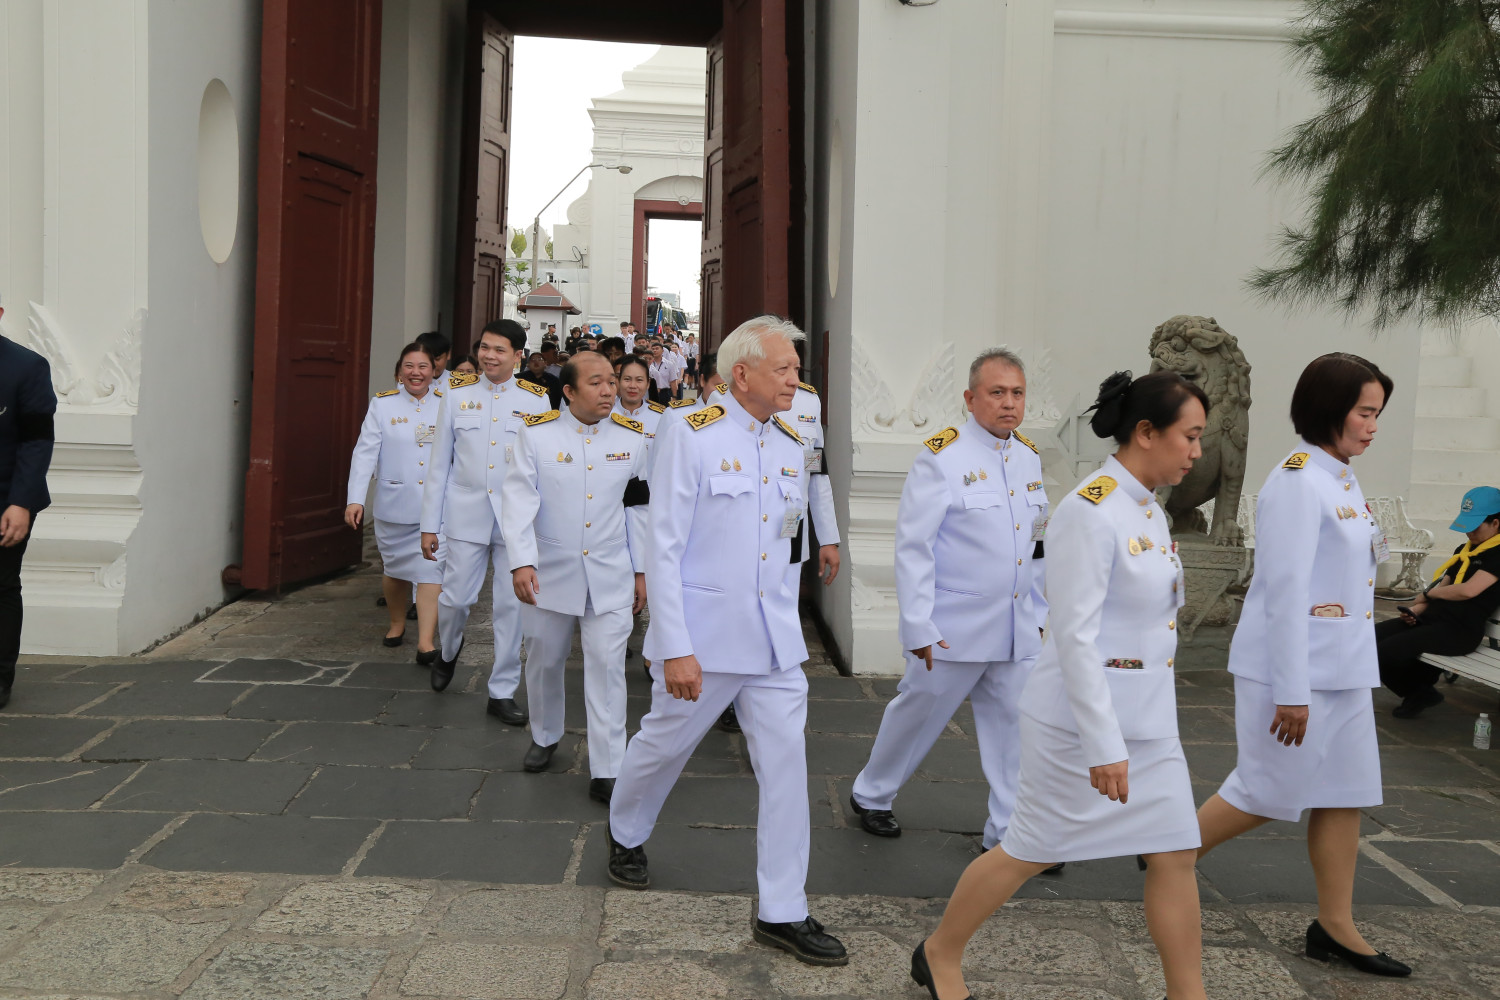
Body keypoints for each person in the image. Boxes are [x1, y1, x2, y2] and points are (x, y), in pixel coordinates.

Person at [914, 370, 1210, 1000]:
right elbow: (1073, 636)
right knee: (1027, 850)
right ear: (1146, 432)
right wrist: (1105, 745)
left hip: (1151, 722)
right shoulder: (1090, 510)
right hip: (1080, 725)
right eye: (1190, 436)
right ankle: (940, 952)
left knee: (1176, 853)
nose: (1197, 452)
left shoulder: (1148, 508)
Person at [607, 315, 848, 969]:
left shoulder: (792, 438)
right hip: (705, 642)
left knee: (786, 770)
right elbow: (666, 541)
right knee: (663, 745)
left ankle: (783, 909)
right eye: (784, 368)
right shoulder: (691, 433)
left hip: (774, 644)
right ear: (741, 374)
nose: (796, 378)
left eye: (796, 368)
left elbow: (784, 534)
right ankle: (625, 829)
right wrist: (674, 644)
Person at [1196, 353, 1411, 978]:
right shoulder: (1297, 480)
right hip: (1294, 674)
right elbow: (1283, 591)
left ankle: (1335, 926)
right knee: (1266, 791)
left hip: (1343, 668)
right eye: (1364, 412)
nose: (1372, 425)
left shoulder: (1340, 477)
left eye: (1377, 413)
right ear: (1328, 409)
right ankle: (1168, 852)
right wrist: (1292, 690)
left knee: (1344, 796)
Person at [850, 348, 1045, 854]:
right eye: (996, 393)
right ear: (970, 398)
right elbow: (914, 547)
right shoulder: (943, 456)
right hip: (953, 626)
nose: (1008, 404)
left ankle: (1010, 836)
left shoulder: (1027, 456)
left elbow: (1035, 544)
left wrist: (1041, 613)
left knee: (1016, 733)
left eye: (1017, 393)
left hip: (1015, 625)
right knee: (918, 713)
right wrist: (917, 625)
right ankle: (872, 794)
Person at [503, 352, 649, 803]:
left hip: (610, 572)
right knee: (544, 658)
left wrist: (642, 570)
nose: (610, 390)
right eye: (597, 383)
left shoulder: (633, 438)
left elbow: (639, 509)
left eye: (612, 381)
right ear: (568, 391)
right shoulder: (536, 435)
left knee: (607, 667)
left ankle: (608, 767)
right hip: (550, 571)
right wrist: (521, 561)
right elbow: (518, 501)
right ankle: (545, 735)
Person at [420, 319, 552, 724]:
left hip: (516, 521)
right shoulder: (456, 396)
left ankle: (502, 690)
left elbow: (544, 470)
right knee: (456, 598)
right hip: (466, 514)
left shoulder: (536, 401)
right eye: (485, 348)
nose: (489, 356)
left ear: (518, 356)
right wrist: (430, 523)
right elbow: (439, 464)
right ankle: (448, 649)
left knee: (512, 608)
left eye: (499, 350)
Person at [346, 344, 445, 662]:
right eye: (409, 366)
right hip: (395, 503)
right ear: (399, 371)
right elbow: (365, 452)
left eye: (423, 366)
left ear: (434, 371)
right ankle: (397, 623)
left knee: (432, 571)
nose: (416, 372)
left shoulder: (448, 405)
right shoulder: (383, 405)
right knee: (396, 571)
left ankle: (426, 642)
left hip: (437, 507)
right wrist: (355, 499)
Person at [1379, 486, 1500, 717]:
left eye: (1476, 526)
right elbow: (1443, 586)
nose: (1469, 532)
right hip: (1434, 620)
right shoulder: (1464, 550)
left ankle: (1417, 691)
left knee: (1388, 651)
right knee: (1370, 640)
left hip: (1460, 631)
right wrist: (1416, 610)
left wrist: (1427, 596)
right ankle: (1420, 689)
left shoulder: (1497, 554)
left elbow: (1468, 591)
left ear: (1495, 523)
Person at [0, 296, 57, 712]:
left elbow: (37, 440)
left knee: (1, 588)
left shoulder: (27, 366)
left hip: (7, 499)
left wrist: (20, 502)